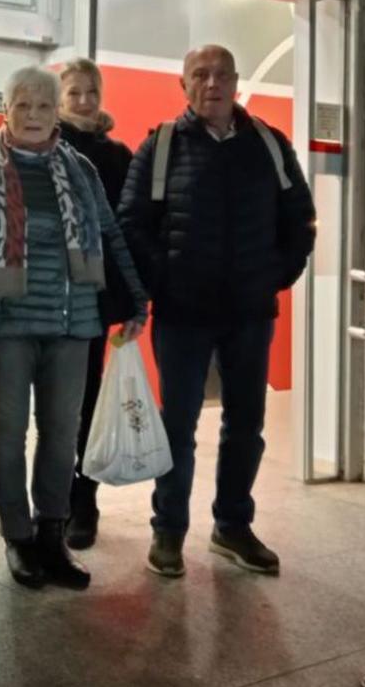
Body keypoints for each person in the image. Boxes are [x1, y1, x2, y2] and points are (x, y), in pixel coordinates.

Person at [117, 44, 316, 579]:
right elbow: (132, 223)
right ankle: (169, 532)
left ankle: (232, 526)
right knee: (177, 427)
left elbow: (300, 219)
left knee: (246, 424)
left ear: (235, 81)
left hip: (251, 312)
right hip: (182, 313)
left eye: (222, 74)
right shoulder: (159, 147)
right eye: (200, 75)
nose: (212, 84)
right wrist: (166, 281)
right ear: (184, 86)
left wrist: (275, 276)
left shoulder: (269, 145)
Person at [0, 66, 147, 591]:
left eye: (44, 105)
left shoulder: (80, 169)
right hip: (8, 329)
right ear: (7, 111)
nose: (35, 116)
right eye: (24, 105)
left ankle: (51, 536)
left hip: (73, 324)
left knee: (63, 438)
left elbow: (110, 235)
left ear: (55, 111)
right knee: (9, 436)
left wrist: (135, 298)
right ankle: (17, 538)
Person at [56, 58, 134, 550]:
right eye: (74, 93)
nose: (84, 101)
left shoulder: (118, 155)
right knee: (50, 409)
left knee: (84, 405)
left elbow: (126, 231)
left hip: (91, 302)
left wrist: (129, 302)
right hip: (42, 299)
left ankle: (82, 503)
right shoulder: (41, 148)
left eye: (91, 92)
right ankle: (49, 503)